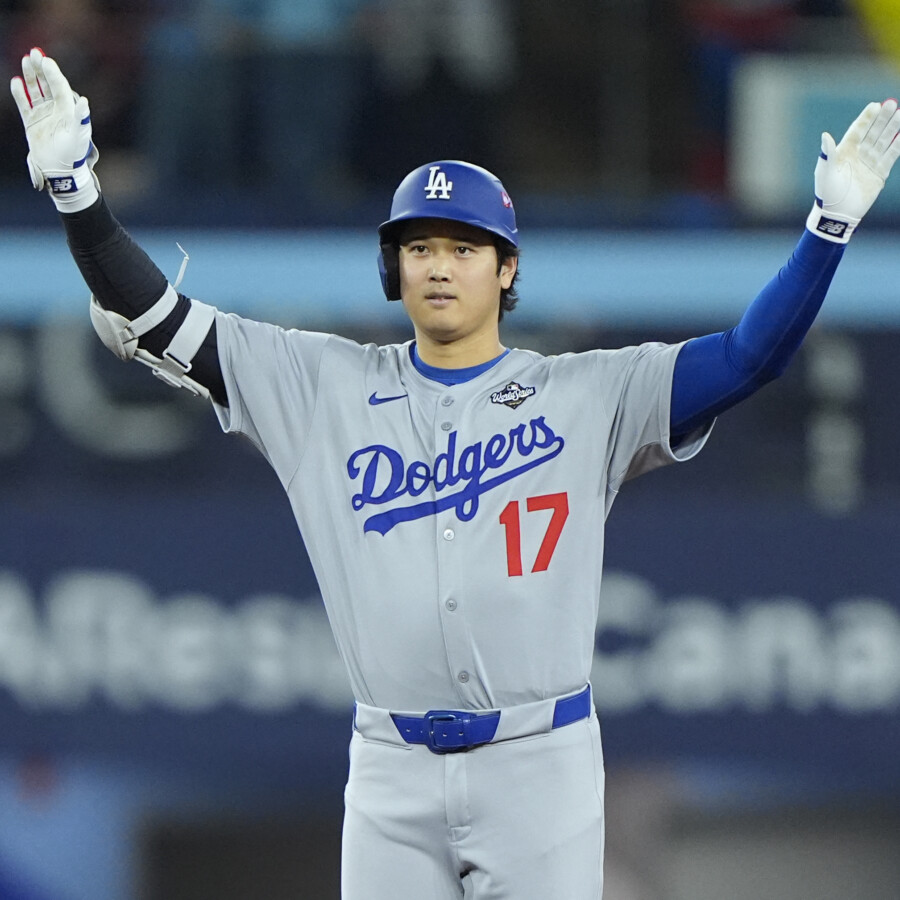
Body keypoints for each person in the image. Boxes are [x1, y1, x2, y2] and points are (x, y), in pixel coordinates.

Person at [10, 47, 900, 900]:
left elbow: (750, 359)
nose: (440, 263)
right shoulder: (318, 383)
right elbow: (153, 316)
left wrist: (826, 231)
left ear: (507, 268)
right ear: (394, 266)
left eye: (465, 247)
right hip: (389, 766)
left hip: (539, 765)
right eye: (421, 245)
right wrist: (77, 194)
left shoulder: (588, 393)